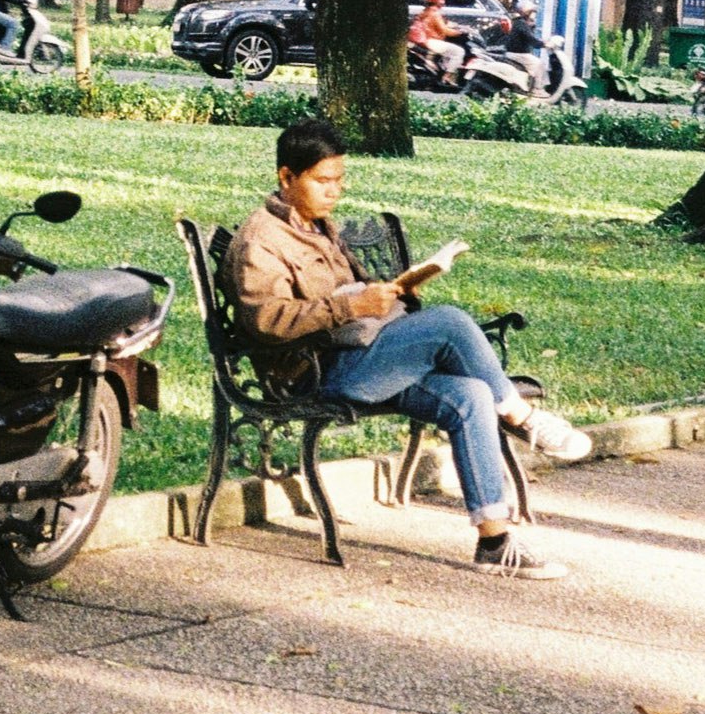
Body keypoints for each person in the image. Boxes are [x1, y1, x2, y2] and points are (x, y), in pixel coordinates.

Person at [231, 117, 590, 579]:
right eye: (323, 180)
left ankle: (494, 542)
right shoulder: (261, 240)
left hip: (366, 355)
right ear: (286, 176)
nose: (334, 191)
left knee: (470, 396)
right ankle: (522, 418)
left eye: (340, 180)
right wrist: (350, 306)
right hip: (317, 373)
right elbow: (266, 321)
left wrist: (390, 291)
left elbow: (345, 297)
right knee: (450, 323)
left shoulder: (318, 226)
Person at [409, 0, 465, 84]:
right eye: (441, 0)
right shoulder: (435, 13)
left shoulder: (426, 11)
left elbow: (442, 24)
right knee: (459, 51)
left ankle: (442, 70)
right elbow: (445, 30)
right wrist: (460, 32)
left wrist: (455, 26)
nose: (443, 2)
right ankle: (447, 77)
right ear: (436, 1)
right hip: (431, 41)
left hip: (427, 40)